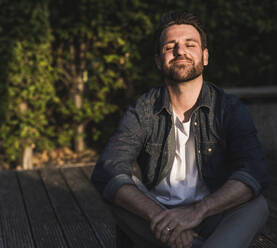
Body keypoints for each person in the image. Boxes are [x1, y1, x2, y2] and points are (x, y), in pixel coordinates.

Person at [91, 11, 269, 248]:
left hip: (213, 213)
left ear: (204, 57)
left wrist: (198, 211)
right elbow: (108, 168)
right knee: (118, 190)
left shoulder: (228, 108)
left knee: (257, 205)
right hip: (158, 216)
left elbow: (253, 169)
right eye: (169, 46)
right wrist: (163, 218)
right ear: (158, 61)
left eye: (190, 44)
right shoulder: (144, 109)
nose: (180, 51)